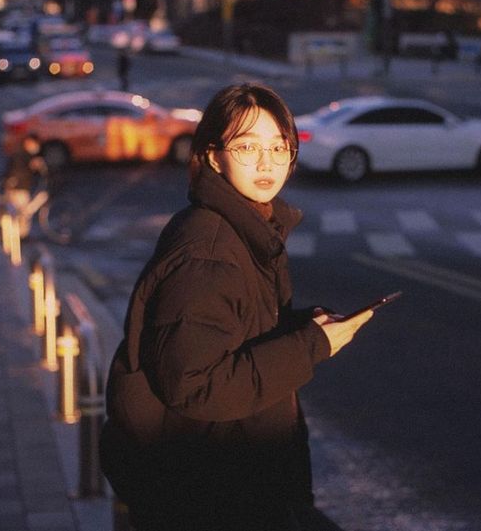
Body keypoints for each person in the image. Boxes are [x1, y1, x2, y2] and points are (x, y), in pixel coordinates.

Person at [99, 83, 375, 531]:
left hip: (230, 475)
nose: (267, 162)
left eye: (279, 146)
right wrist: (309, 347)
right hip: (210, 490)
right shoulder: (209, 248)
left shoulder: (247, 225)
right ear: (213, 156)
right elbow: (193, 383)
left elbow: (234, 329)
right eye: (247, 146)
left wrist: (304, 327)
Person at [2, 135, 48, 238]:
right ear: (29, 142)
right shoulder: (23, 155)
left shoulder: (23, 154)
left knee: (19, 213)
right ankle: (17, 237)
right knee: (21, 213)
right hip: (19, 188)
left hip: (18, 187)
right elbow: (18, 171)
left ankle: (19, 236)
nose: (37, 147)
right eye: (35, 144)